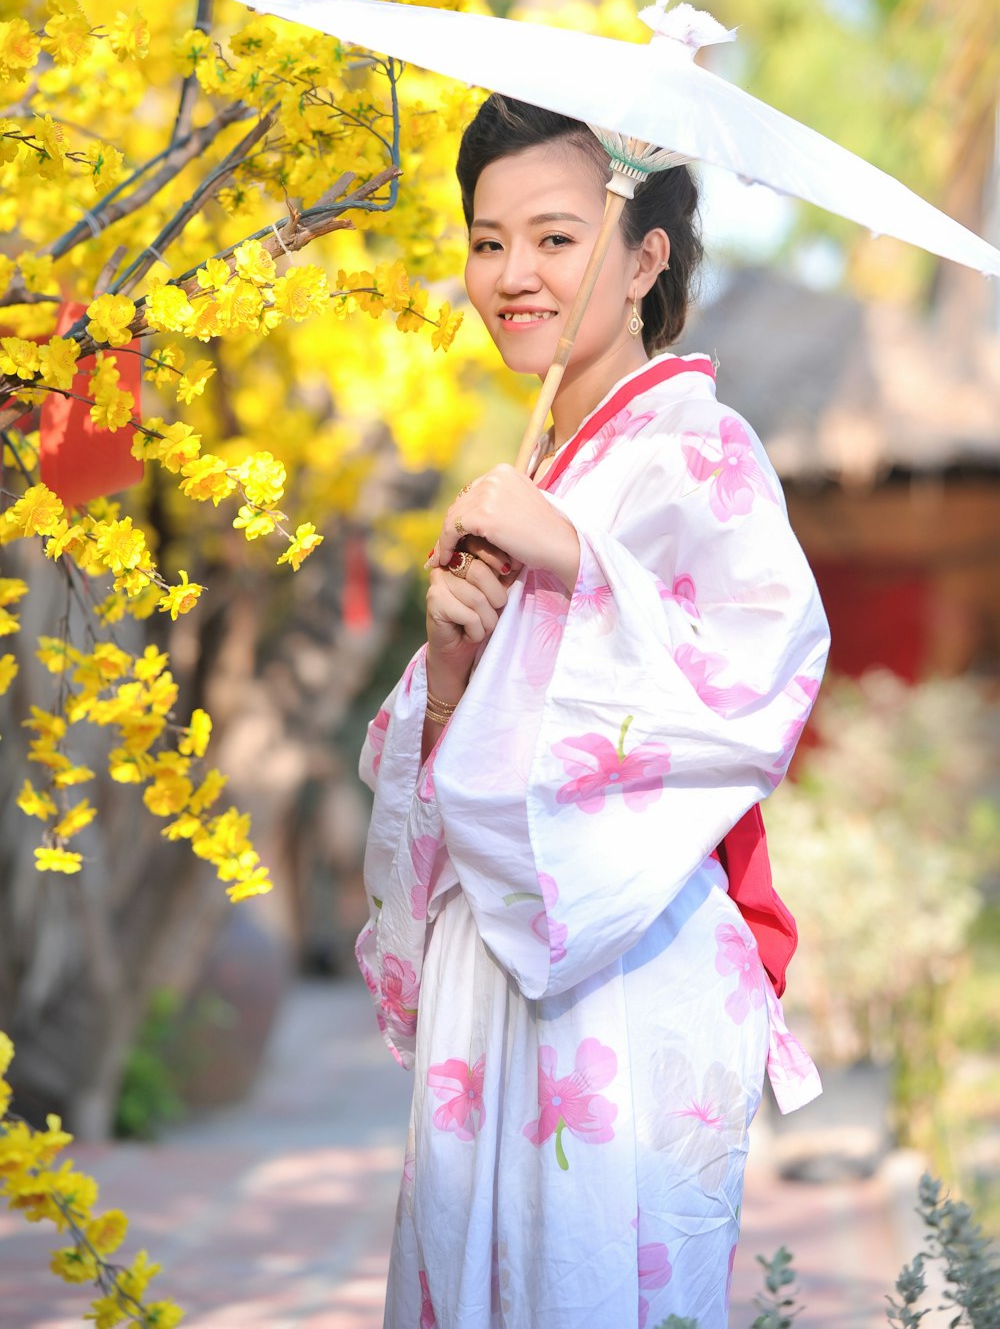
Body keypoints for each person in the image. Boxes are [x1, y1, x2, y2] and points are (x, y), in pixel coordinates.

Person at [355, 95, 829, 1329]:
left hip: (624, 968)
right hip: (489, 975)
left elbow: (764, 671)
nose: (512, 275)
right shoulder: (538, 468)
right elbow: (457, 778)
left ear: (645, 257)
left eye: (557, 238)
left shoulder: (696, 453)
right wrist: (450, 670)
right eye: (487, 239)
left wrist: (576, 556)